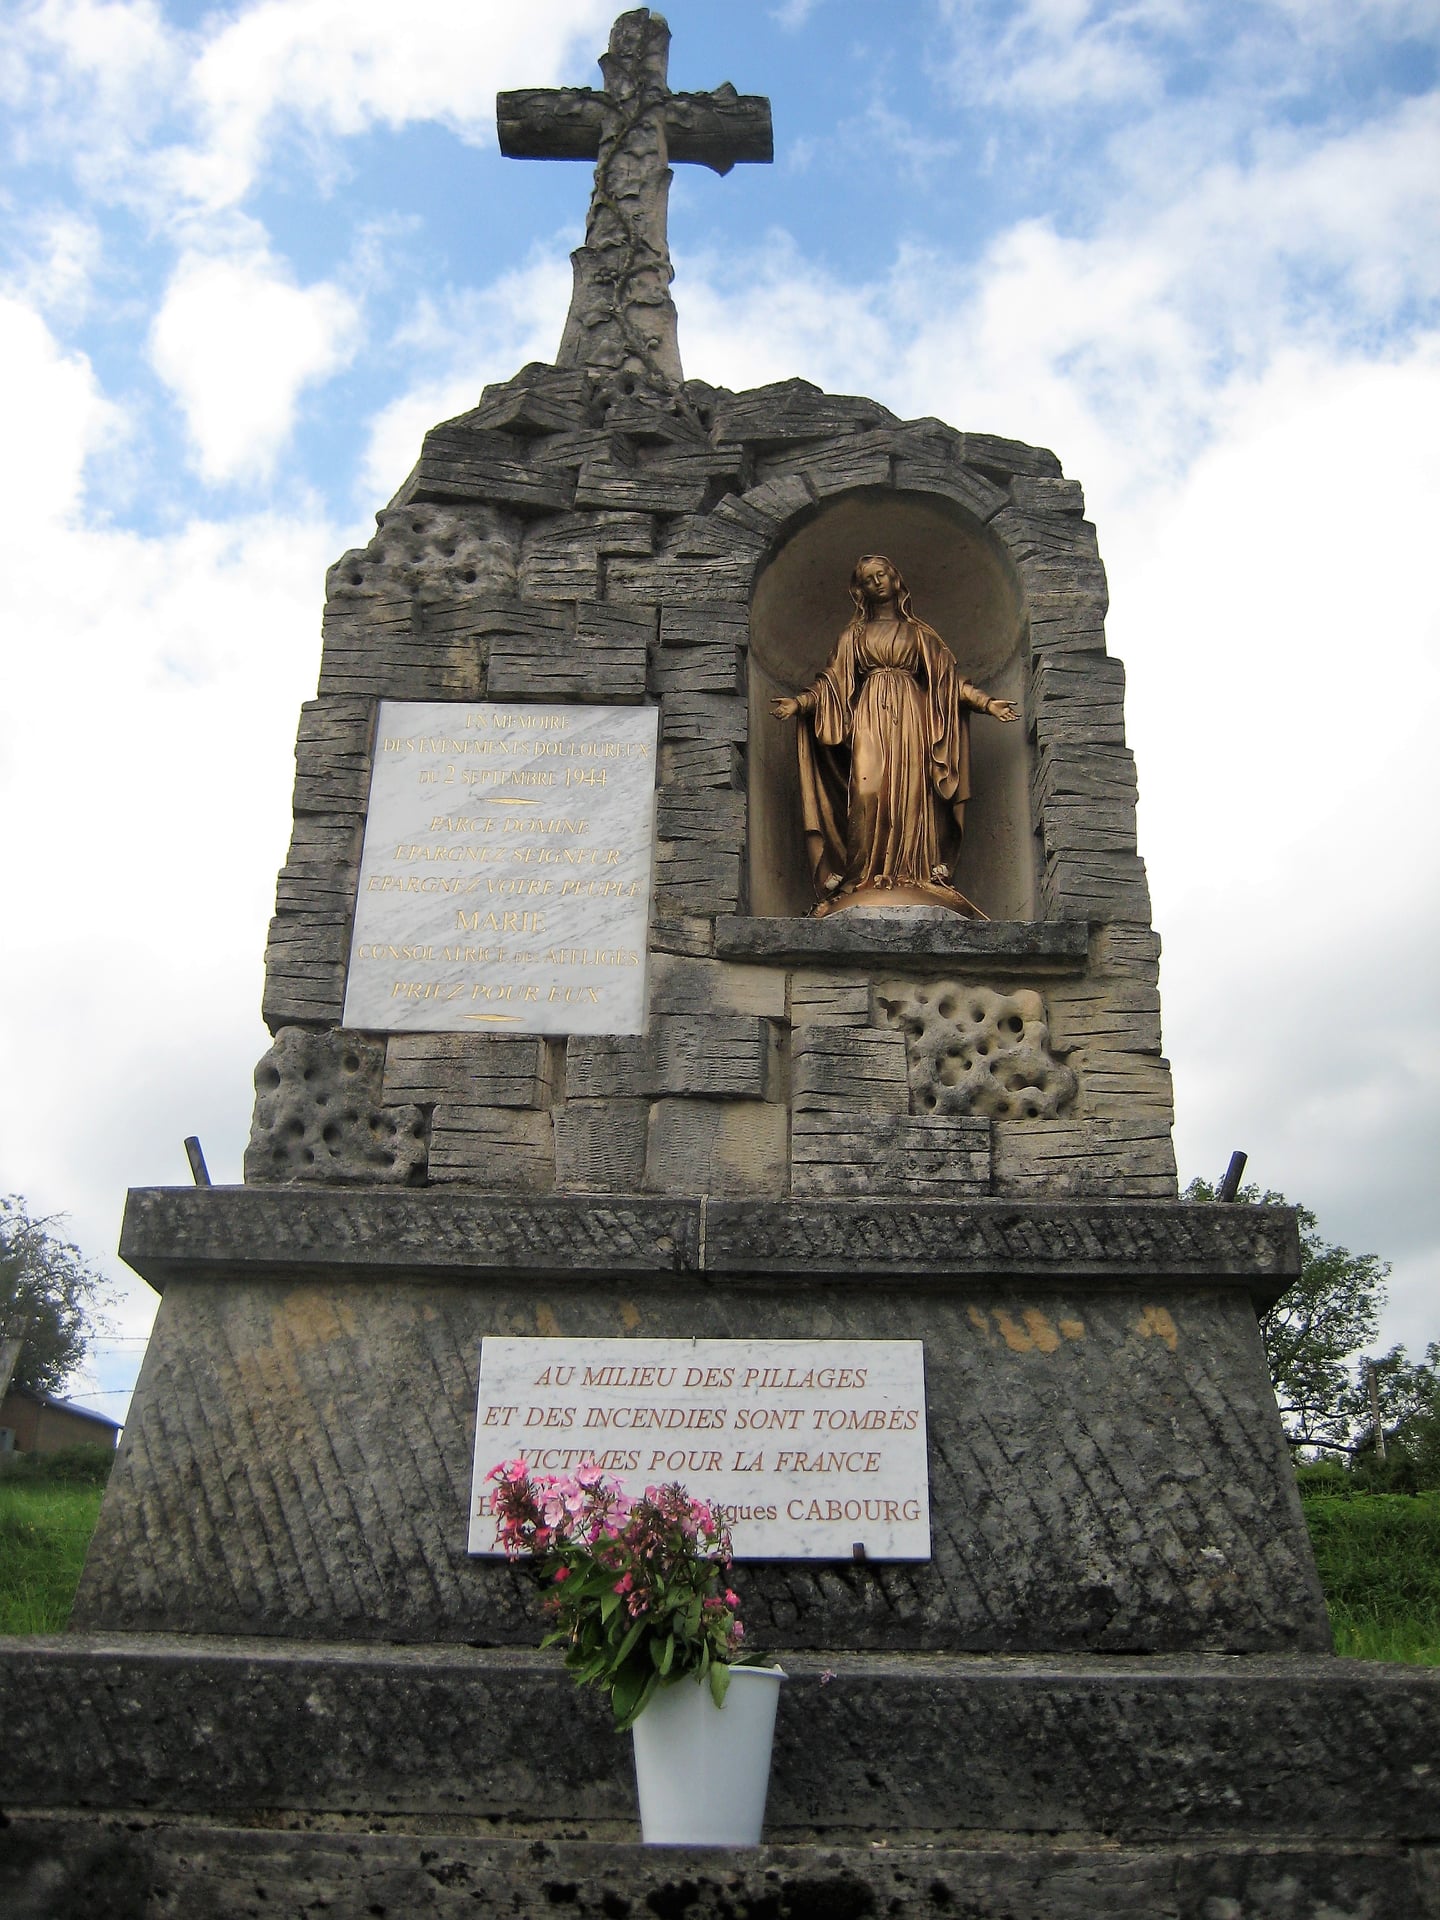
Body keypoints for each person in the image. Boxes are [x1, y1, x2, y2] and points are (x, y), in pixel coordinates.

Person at [770, 554, 1018, 917]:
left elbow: (948, 684)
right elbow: (832, 683)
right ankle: (864, 876)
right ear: (861, 591)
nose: (877, 583)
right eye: (868, 579)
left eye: (882, 575)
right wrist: (799, 703)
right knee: (867, 791)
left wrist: (988, 703)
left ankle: (912, 874)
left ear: (895, 578)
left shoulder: (920, 635)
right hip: (869, 717)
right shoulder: (853, 636)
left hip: (912, 721)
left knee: (912, 793)